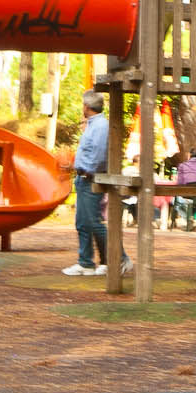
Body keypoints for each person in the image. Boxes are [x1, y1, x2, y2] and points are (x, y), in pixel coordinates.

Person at [63, 109, 114, 278]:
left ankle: (116, 258)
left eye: (84, 122)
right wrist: (74, 168)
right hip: (83, 179)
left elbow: (97, 158)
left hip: (90, 180)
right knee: (84, 223)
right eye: (82, 123)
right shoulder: (88, 136)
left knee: (93, 222)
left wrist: (86, 172)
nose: (82, 126)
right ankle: (87, 262)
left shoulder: (99, 129)